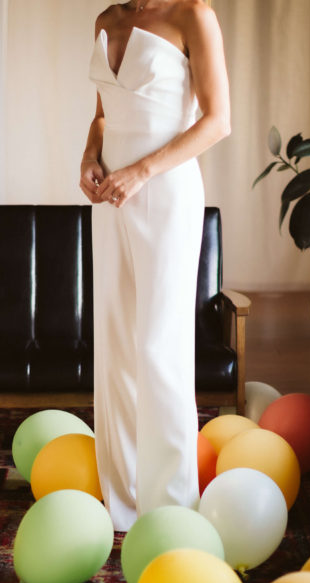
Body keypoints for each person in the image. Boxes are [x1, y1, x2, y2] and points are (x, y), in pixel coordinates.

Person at [80, 0, 230, 531]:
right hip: (110, 200)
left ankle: (169, 508)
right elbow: (102, 115)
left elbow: (218, 120)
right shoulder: (106, 19)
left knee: (159, 347)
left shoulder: (192, 14)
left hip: (165, 193)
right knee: (116, 341)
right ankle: (122, 503)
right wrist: (89, 156)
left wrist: (141, 170)